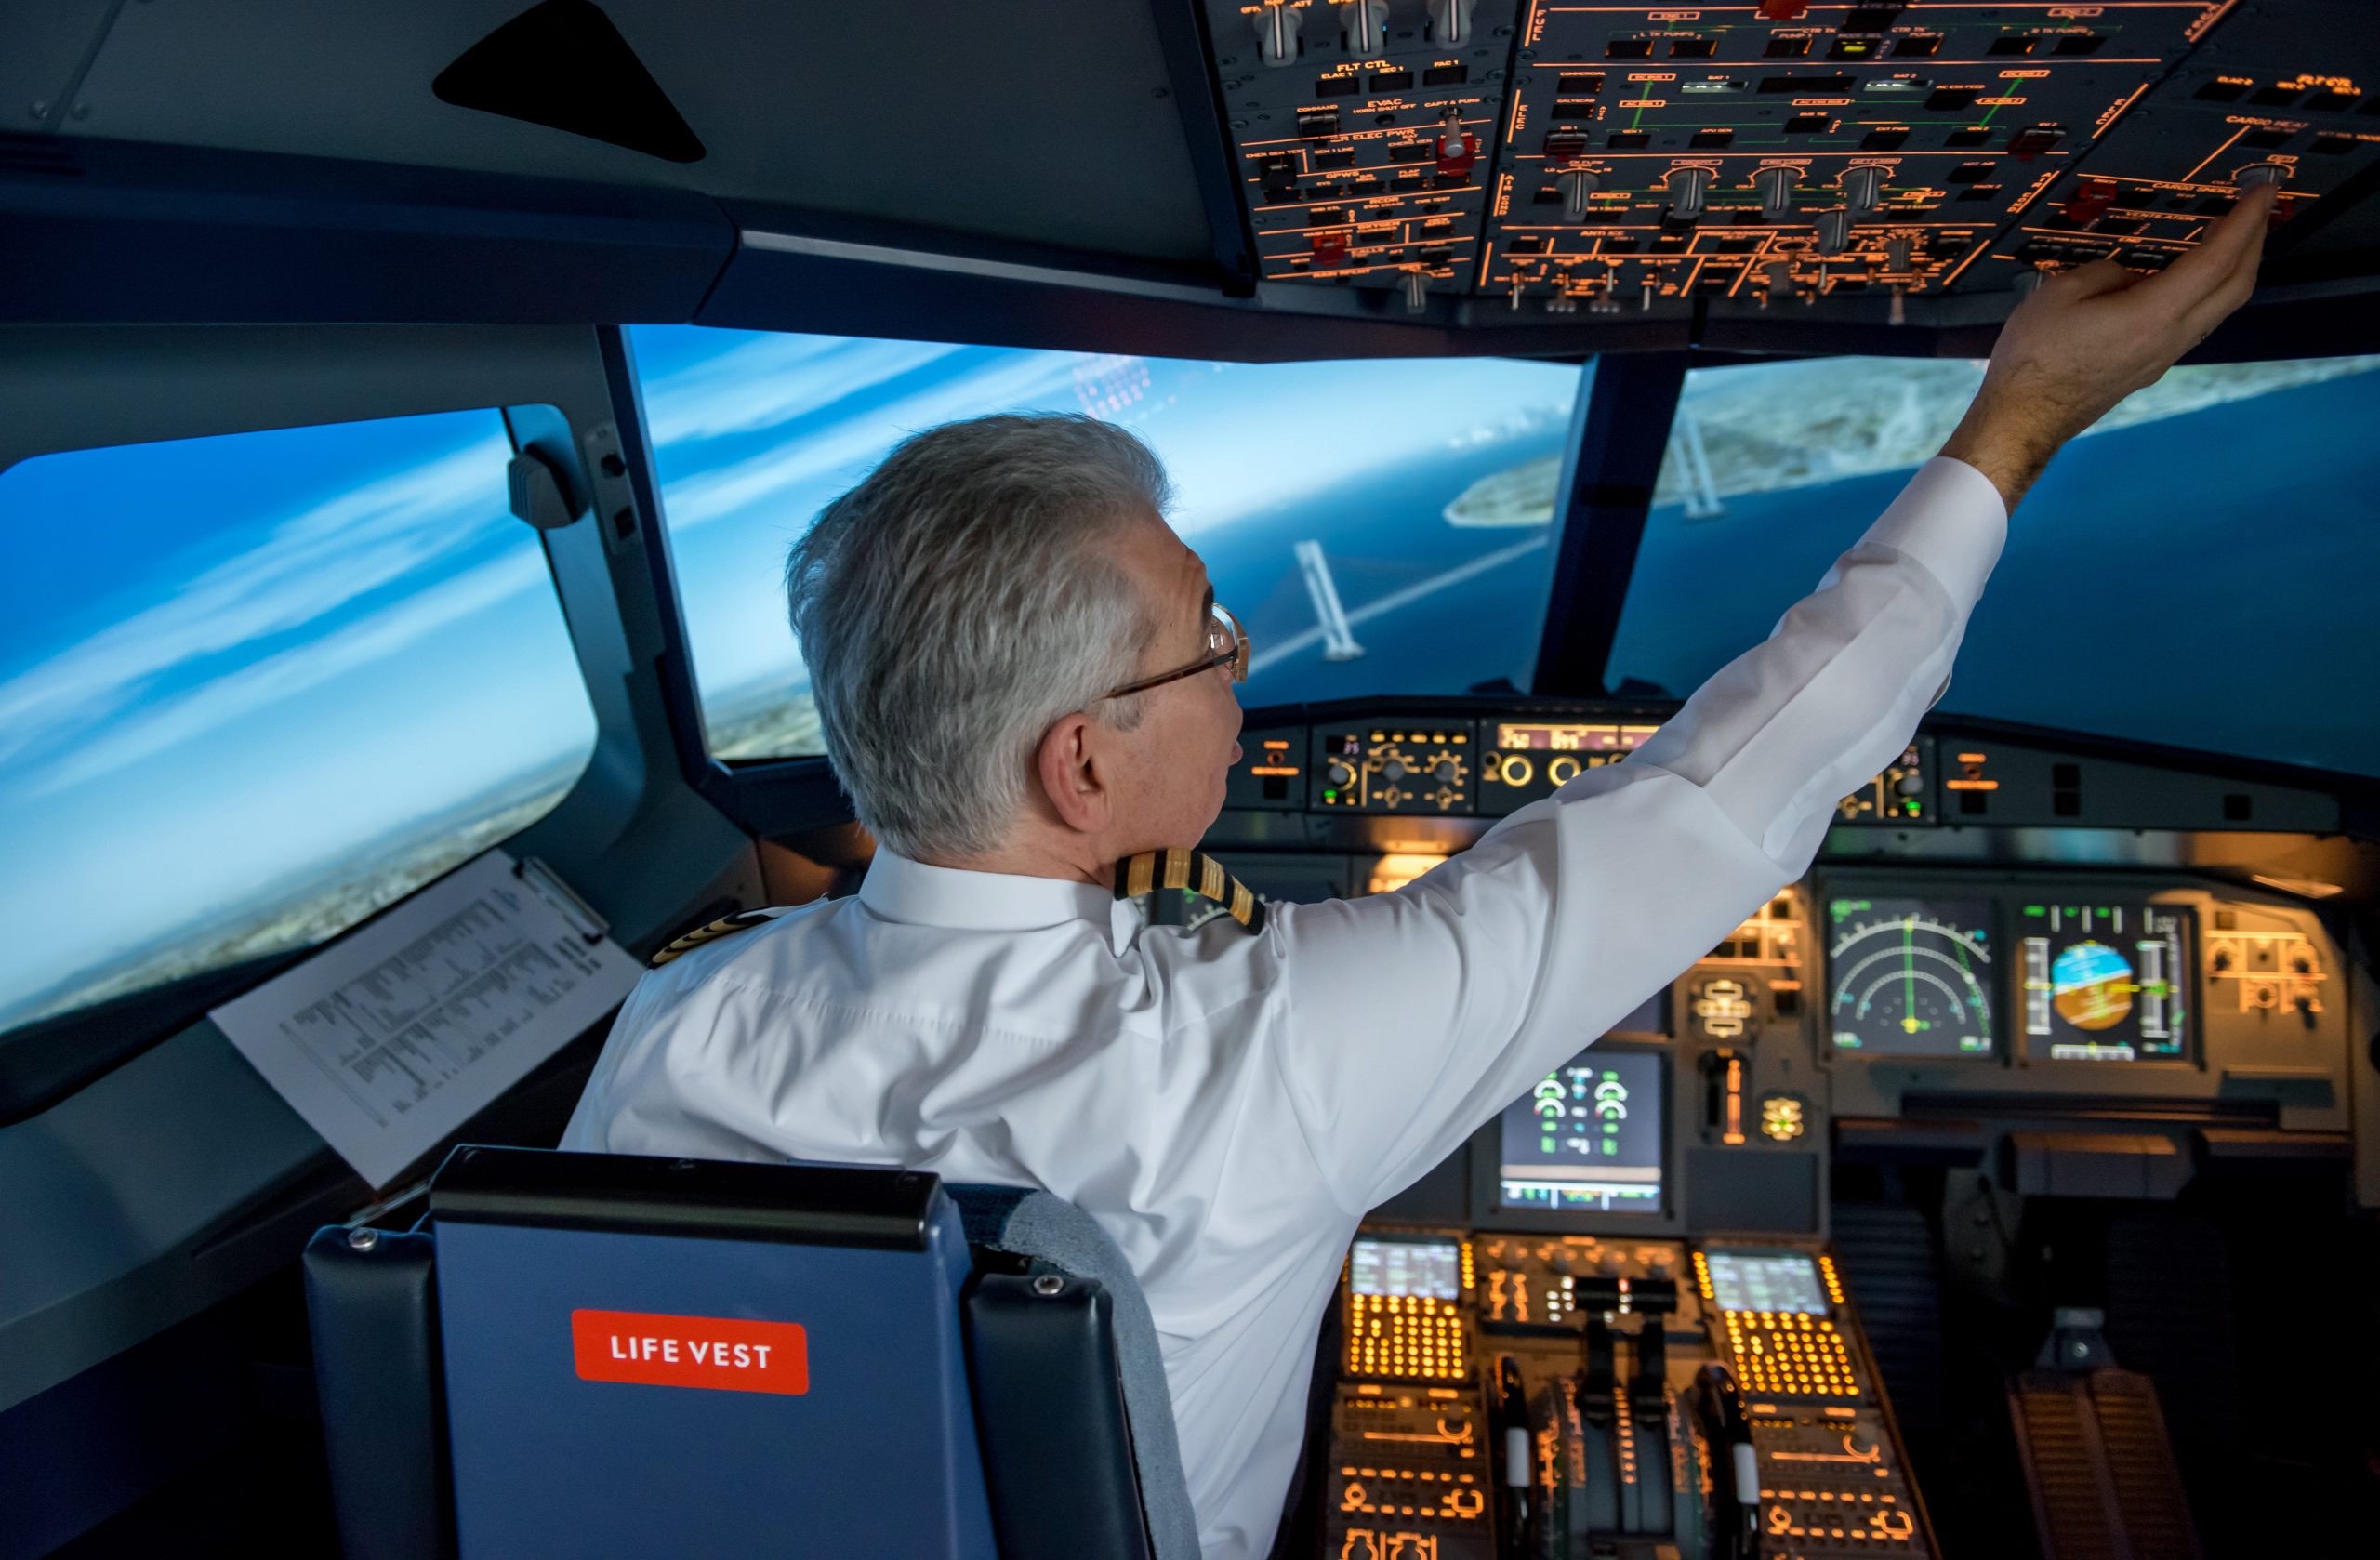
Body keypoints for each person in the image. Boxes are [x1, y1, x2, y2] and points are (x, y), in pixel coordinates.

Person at [563, 190, 2275, 1558]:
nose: (1242, 666)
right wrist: (2022, 421)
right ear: (1078, 765)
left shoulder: (673, 1031)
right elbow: (1725, 793)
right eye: (1204, 642)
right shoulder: (1255, 1056)